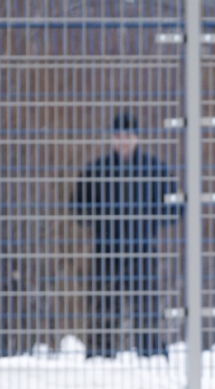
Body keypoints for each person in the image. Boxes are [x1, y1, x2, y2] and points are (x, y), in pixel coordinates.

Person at [75, 112, 175, 358]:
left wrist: (151, 219)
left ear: (137, 138)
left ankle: (150, 357)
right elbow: (78, 208)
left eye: (127, 136)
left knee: (146, 307)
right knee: (103, 307)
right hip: (106, 250)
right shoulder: (97, 170)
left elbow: (174, 208)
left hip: (142, 248)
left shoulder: (155, 169)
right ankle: (100, 356)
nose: (123, 141)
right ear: (111, 139)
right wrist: (101, 220)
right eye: (118, 136)